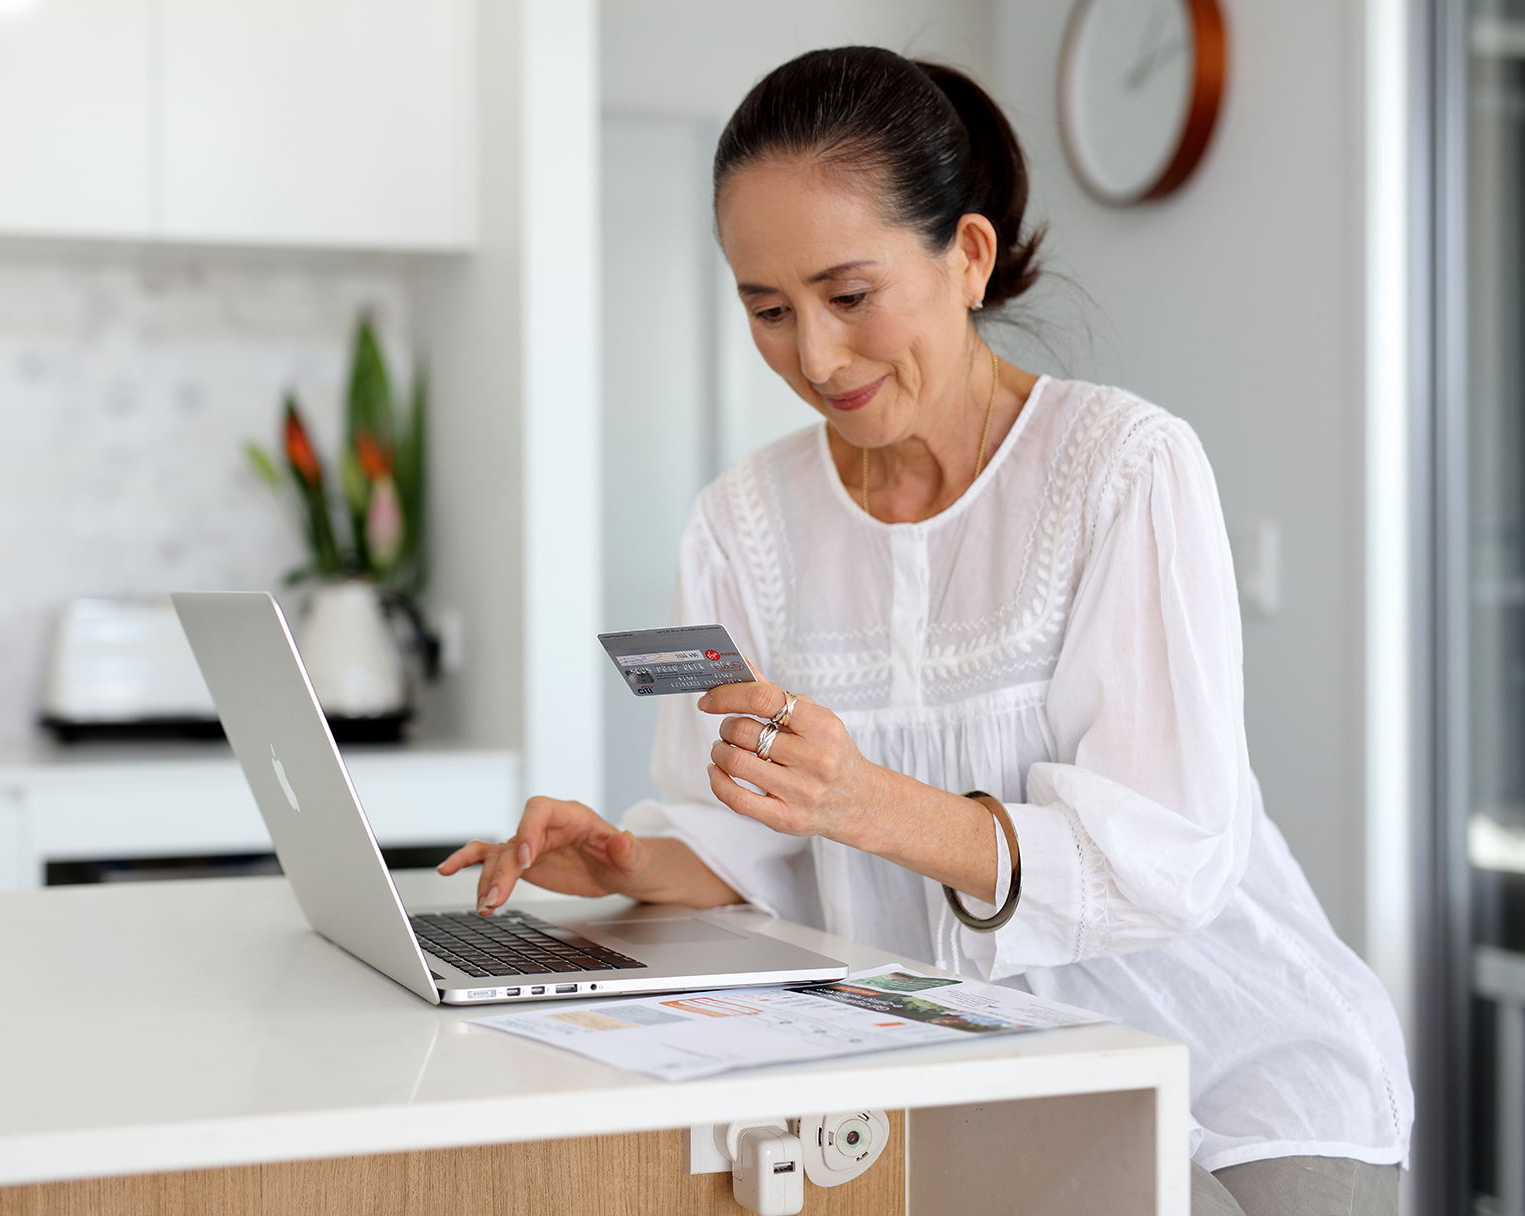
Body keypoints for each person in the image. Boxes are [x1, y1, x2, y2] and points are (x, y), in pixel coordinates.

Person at [439, 47, 1411, 1216]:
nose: (814, 357)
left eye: (849, 297)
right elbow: (755, 837)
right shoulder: (741, 521)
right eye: (767, 309)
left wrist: (866, 802)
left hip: (1229, 1048)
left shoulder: (1123, 469)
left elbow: (1169, 855)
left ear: (968, 255)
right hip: (953, 1057)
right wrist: (627, 864)